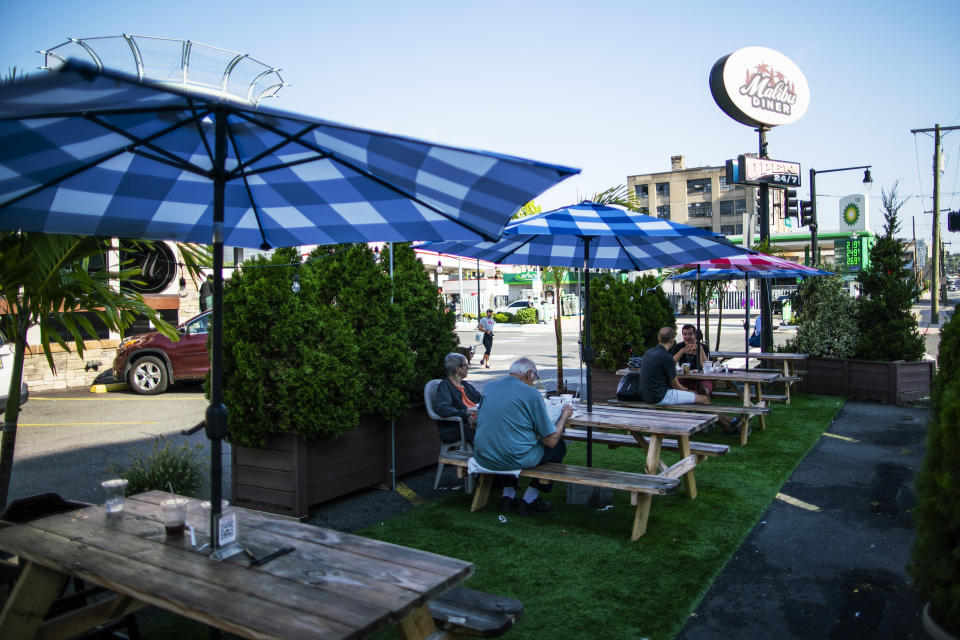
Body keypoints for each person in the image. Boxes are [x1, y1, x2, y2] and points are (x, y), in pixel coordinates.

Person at [473, 357, 573, 515]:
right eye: (535, 377)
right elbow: (550, 440)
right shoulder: (531, 393)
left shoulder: (489, 387)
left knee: (505, 439)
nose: (534, 381)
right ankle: (530, 499)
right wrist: (564, 416)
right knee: (558, 446)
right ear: (528, 374)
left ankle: (508, 495)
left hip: (483, 454)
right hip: (513, 456)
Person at [639, 327, 740, 432]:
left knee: (698, 397)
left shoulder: (648, 353)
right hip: (660, 396)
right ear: (672, 340)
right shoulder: (667, 357)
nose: (687, 337)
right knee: (703, 399)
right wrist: (689, 391)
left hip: (647, 395)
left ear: (658, 338)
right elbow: (676, 385)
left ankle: (729, 423)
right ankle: (729, 422)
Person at [433, 352, 482, 444]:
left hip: (476, 421)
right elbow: (442, 408)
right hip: (458, 427)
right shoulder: (445, 386)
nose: (468, 368)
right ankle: (486, 456)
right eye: (466, 365)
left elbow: (481, 399)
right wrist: (466, 413)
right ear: (457, 368)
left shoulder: (465, 385)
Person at [670, 324, 713, 397]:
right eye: (685, 334)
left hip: (700, 378)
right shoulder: (678, 346)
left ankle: (701, 398)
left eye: (690, 334)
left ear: (695, 335)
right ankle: (692, 395)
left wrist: (700, 349)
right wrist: (682, 351)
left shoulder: (704, 347)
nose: (687, 337)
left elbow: (705, 365)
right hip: (684, 377)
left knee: (706, 388)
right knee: (675, 385)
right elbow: (671, 363)